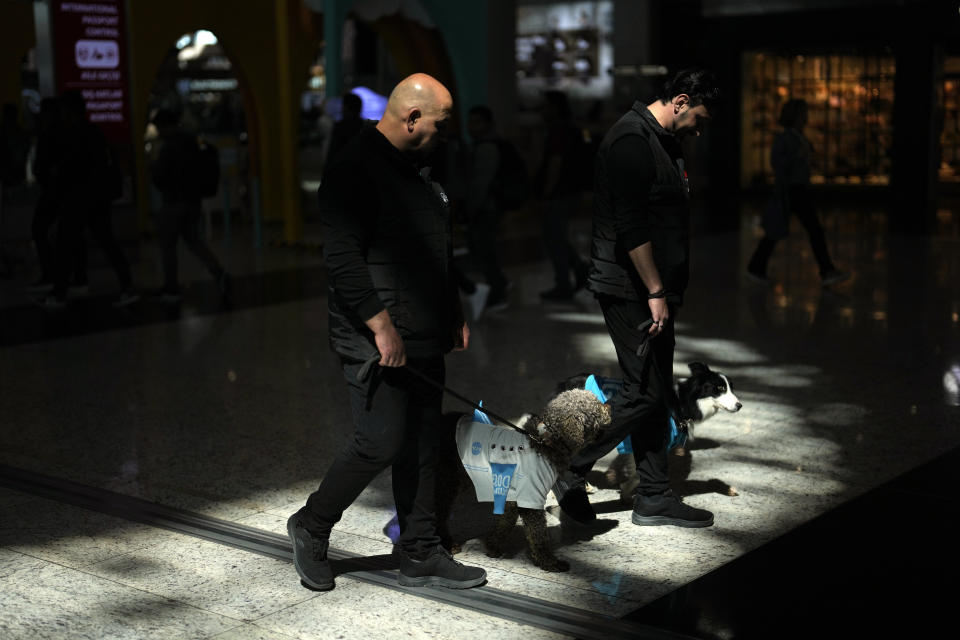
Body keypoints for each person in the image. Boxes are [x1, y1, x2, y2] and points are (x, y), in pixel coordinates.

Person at [287, 73, 486, 592]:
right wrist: (381, 328)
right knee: (379, 441)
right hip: (374, 335)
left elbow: (431, 251)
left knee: (422, 442)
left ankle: (420, 551)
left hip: (421, 331)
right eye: (440, 122)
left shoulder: (417, 167)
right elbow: (343, 260)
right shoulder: (354, 168)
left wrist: (453, 310)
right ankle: (310, 525)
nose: (446, 132)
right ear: (412, 117)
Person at [554, 67, 723, 528]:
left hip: (655, 291)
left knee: (656, 392)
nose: (700, 128)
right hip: (632, 290)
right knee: (645, 392)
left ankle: (652, 495)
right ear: (681, 101)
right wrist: (654, 291)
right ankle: (568, 467)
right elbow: (632, 228)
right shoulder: (631, 141)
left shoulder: (665, 141)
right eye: (700, 117)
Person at [40, 90, 138, 309]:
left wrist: (59, 173)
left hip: (81, 197)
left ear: (69, 111)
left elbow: (74, 167)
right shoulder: (93, 131)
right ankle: (126, 286)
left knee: (66, 243)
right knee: (104, 240)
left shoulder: (77, 133)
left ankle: (60, 292)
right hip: (95, 197)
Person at [746, 98, 849, 287]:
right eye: (803, 113)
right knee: (809, 229)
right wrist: (797, 157)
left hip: (798, 189)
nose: (806, 117)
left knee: (781, 231)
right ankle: (826, 270)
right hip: (791, 190)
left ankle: (756, 266)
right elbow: (778, 163)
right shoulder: (785, 138)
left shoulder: (798, 137)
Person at [149, 108, 230, 304]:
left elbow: (160, 176)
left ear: (164, 126)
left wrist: (153, 169)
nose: (157, 131)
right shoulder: (193, 141)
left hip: (173, 203)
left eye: (158, 127)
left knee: (168, 246)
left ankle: (171, 288)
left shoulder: (169, 146)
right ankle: (219, 273)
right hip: (193, 201)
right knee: (194, 241)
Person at [535, 90, 589, 301]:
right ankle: (579, 269)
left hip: (560, 192)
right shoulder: (573, 129)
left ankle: (564, 284)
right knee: (555, 236)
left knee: (553, 237)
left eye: (544, 106)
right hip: (571, 190)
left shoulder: (558, 131)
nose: (541, 111)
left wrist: (547, 192)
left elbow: (555, 164)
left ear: (554, 108)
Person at [462, 105, 510, 316]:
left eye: (477, 121)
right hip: (488, 207)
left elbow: (480, 184)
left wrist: (470, 209)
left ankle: (498, 293)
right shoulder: (482, 146)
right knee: (486, 251)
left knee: (486, 252)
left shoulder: (487, 148)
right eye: (470, 121)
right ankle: (500, 286)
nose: (471, 126)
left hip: (486, 208)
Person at [325, 91, 365, 165]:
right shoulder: (364, 126)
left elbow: (333, 150)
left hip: (341, 169)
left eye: (343, 105)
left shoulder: (341, 126)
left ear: (346, 107)